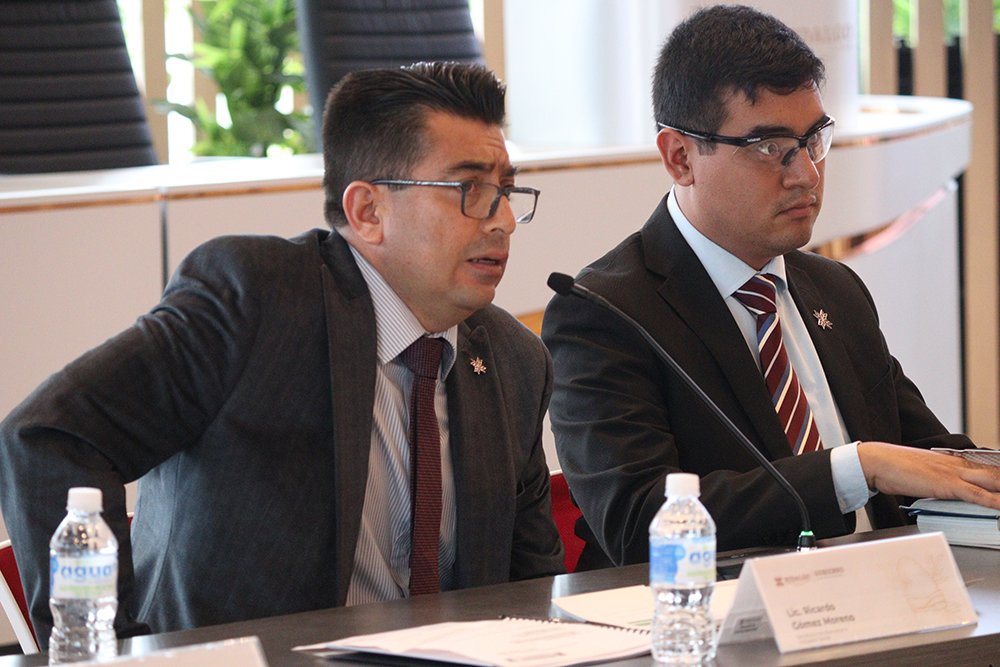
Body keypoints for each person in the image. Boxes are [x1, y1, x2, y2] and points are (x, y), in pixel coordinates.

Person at [0, 61, 564, 642]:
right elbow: (49, 437)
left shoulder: (514, 362)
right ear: (368, 211)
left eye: (505, 191)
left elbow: (532, 594)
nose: (503, 221)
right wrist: (105, 646)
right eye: (471, 190)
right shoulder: (256, 302)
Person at [542, 5, 1000, 570]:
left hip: (887, 593)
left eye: (813, 139)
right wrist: (856, 468)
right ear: (680, 157)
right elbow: (638, 523)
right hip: (716, 613)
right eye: (769, 147)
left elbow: (929, 459)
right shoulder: (606, 312)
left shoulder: (833, 289)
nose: (806, 173)